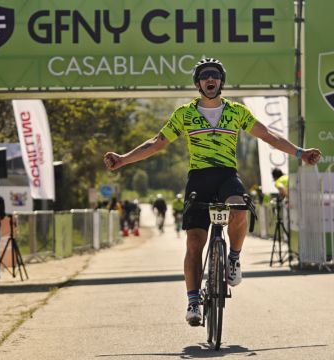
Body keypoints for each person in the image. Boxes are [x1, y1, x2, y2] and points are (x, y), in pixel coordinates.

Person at [104, 57, 322, 326]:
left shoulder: (236, 112)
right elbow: (156, 143)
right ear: (198, 83)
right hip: (199, 179)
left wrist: (300, 153)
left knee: (240, 208)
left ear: (221, 82)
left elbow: (267, 135)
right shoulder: (184, 114)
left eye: (215, 76)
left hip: (227, 176)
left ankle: (233, 259)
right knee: (195, 242)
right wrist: (123, 159)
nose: (210, 79)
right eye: (205, 76)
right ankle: (193, 301)